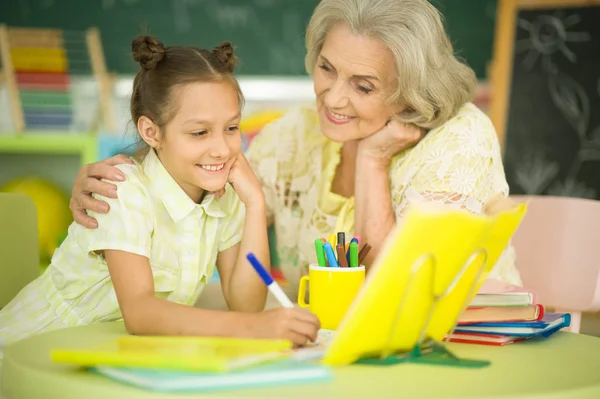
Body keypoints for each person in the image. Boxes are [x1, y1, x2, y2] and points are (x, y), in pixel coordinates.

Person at [69, 0, 521, 301]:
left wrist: (373, 161)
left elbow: (394, 294)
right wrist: (121, 183)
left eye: (362, 86)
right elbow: (203, 186)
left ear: (411, 94)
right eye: (326, 68)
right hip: (333, 356)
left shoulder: (460, 139)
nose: (332, 98)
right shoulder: (297, 134)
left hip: (456, 354)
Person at [0, 36, 320, 364]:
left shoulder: (225, 197)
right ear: (152, 132)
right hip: (24, 354)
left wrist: (254, 205)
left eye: (231, 127)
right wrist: (252, 328)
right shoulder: (123, 190)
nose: (222, 149)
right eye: (200, 132)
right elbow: (140, 312)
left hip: (102, 360)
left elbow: (245, 303)